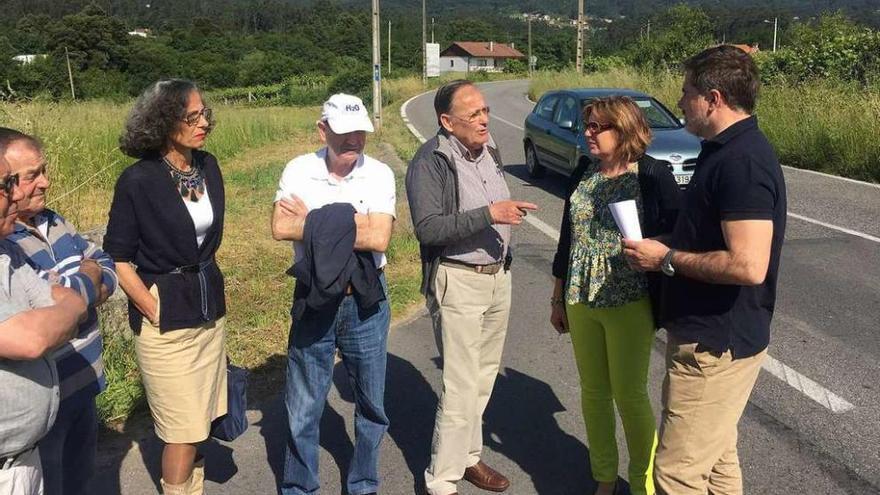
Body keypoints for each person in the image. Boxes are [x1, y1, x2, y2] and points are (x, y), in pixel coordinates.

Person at [623, 45, 787, 495]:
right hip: (718, 337)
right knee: (716, 462)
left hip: (715, 344)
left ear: (713, 98)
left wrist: (668, 260)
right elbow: (710, 236)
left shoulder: (742, 161)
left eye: (685, 92)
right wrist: (671, 242)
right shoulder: (723, 150)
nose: (678, 102)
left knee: (676, 474)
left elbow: (749, 264)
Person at [405, 79, 537, 495]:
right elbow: (428, 229)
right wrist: (490, 213)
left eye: (485, 110)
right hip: (459, 279)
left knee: (482, 379)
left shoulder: (488, 148)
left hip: (497, 277)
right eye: (474, 114)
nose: (485, 119)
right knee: (459, 385)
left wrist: (501, 213)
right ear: (447, 122)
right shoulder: (431, 161)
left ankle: (468, 458)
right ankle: (441, 479)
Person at [549, 96, 681, 495]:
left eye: (597, 127)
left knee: (629, 394)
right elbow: (567, 238)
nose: (587, 133)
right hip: (580, 295)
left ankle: (643, 483)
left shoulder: (652, 174)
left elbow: (681, 235)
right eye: (586, 125)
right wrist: (557, 298)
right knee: (593, 392)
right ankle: (604, 477)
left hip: (628, 298)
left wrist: (653, 246)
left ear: (623, 130)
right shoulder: (584, 171)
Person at [104, 79, 228, 495]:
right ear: (162, 122)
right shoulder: (138, 179)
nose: (203, 122)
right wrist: (149, 305)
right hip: (164, 316)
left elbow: (206, 242)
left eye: (204, 112)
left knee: (202, 419)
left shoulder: (208, 166)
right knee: (181, 427)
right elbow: (118, 257)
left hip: (208, 311)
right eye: (191, 116)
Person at [271, 93, 395, 495]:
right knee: (303, 405)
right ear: (322, 130)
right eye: (344, 132)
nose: (353, 141)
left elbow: (379, 236)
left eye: (360, 132)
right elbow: (280, 227)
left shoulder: (379, 174)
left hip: (364, 298)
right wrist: (350, 224)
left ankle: (363, 485)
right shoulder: (299, 169)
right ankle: (298, 487)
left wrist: (313, 221)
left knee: (371, 406)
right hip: (314, 295)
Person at [1, 128, 117, 495]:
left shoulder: (55, 221)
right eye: (29, 176)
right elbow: (37, 326)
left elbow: (105, 263)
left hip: (82, 382)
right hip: (40, 410)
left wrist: (73, 288)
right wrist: (86, 281)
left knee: (80, 481)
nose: (43, 183)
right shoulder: (10, 246)